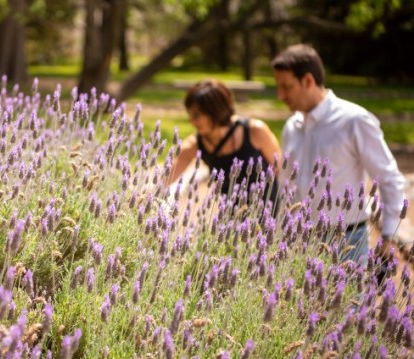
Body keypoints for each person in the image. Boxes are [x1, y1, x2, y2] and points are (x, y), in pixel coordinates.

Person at [271, 44, 406, 271]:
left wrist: (389, 236)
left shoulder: (354, 120)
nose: (280, 95)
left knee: (347, 307)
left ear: (308, 81)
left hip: (347, 242)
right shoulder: (291, 127)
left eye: (286, 87)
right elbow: (287, 186)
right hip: (299, 243)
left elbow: (389, 177)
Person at [169, 79, 281, 210]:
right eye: (190, 114)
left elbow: (278, 167)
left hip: (268, 214)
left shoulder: (255, 130)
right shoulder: (195, 145)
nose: (191, 121)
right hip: (231, 219)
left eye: (197, 115)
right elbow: (166, 178)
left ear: (216, 111)